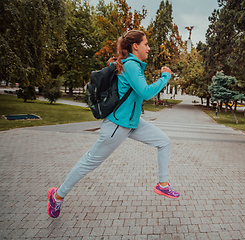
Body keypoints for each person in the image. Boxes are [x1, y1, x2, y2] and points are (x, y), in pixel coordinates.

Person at [47, 30, 179, 219]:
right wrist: (165, 76)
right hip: (117, 126)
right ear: (135, 46)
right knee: (89, 162)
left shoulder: (133, 65)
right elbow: (146, 92)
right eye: (146, 44)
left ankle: (163, 185)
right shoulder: (132, 65)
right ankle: (57, 197)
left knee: (164, 141)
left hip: (132, 123)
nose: (149, 48)